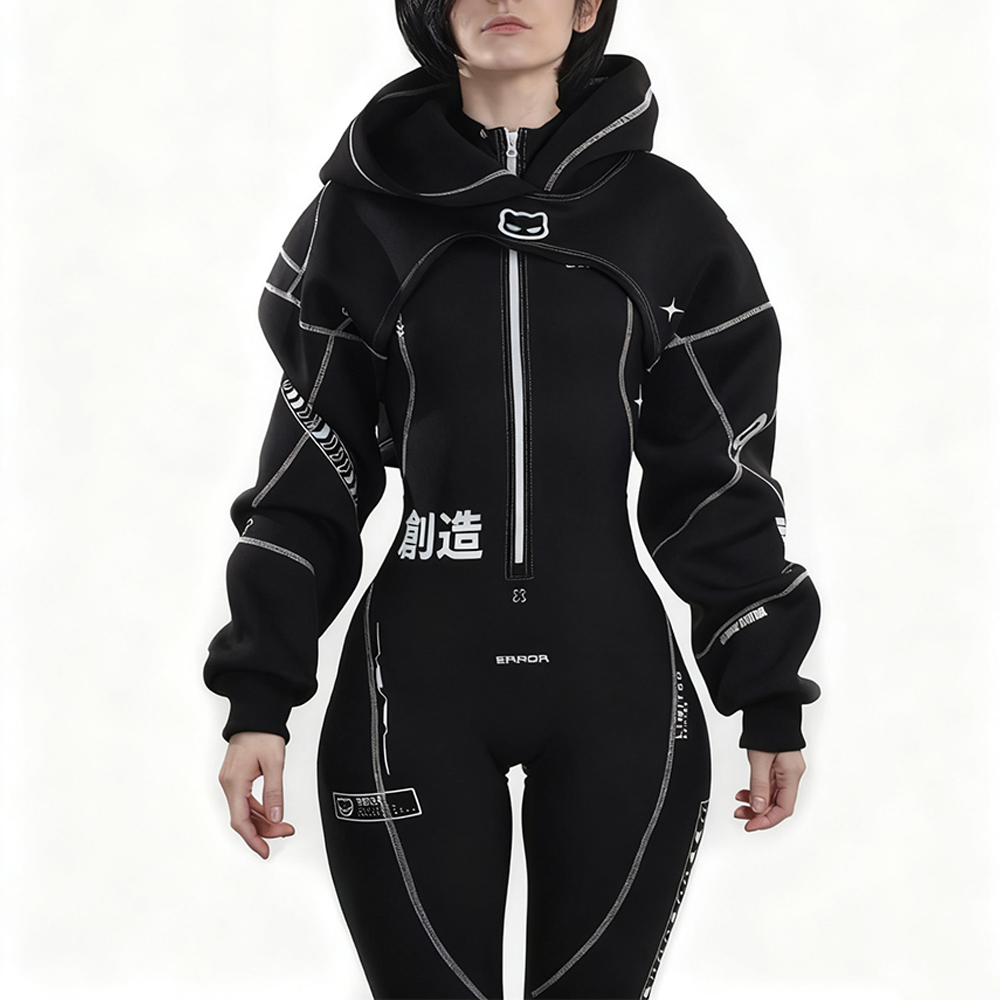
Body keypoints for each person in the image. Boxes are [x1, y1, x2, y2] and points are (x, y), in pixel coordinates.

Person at [204, 1, 821, 997]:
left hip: (617, 696)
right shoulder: (358, 217)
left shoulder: (668, 219)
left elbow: (717, 479)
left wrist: (767, 691)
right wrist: (258, 700)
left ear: (585, 9)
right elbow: (308, 478)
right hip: (411, 693)